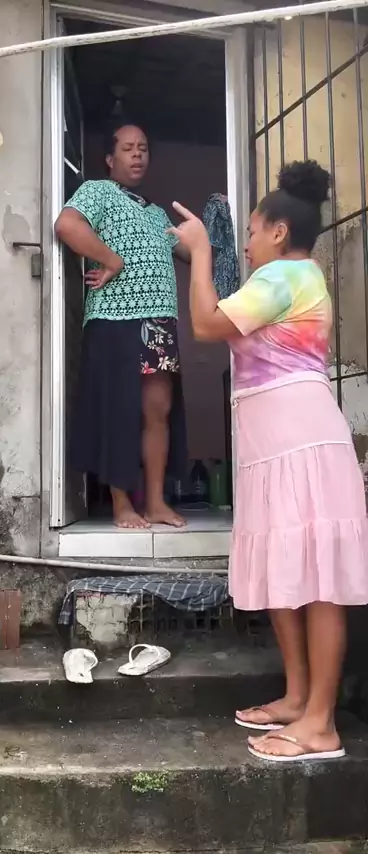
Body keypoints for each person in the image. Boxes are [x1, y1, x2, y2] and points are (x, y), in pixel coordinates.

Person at [168, 159, 368, 762]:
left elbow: (206, 322)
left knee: (320, 582)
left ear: (279, 232)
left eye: (252, 232)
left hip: (300, 443)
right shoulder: (284, 280)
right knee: (288, 569)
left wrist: (201, 250)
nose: (247, 243)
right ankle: (299, 698)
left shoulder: (285, 275)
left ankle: (320, 724)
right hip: (274, 445)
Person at [55, 122, 188, 529]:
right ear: (110, 159)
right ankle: (121, 504)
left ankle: (155, 502)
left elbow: (192, 251)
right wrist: (111, 259)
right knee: (120, 410)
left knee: (157, 409)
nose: (137, 154)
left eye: (143, 148)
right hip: (114, 318)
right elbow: (67, 225)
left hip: (158, 320)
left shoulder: (156, 213)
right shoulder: (97, 191)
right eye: (128, 148)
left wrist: (211, 231)